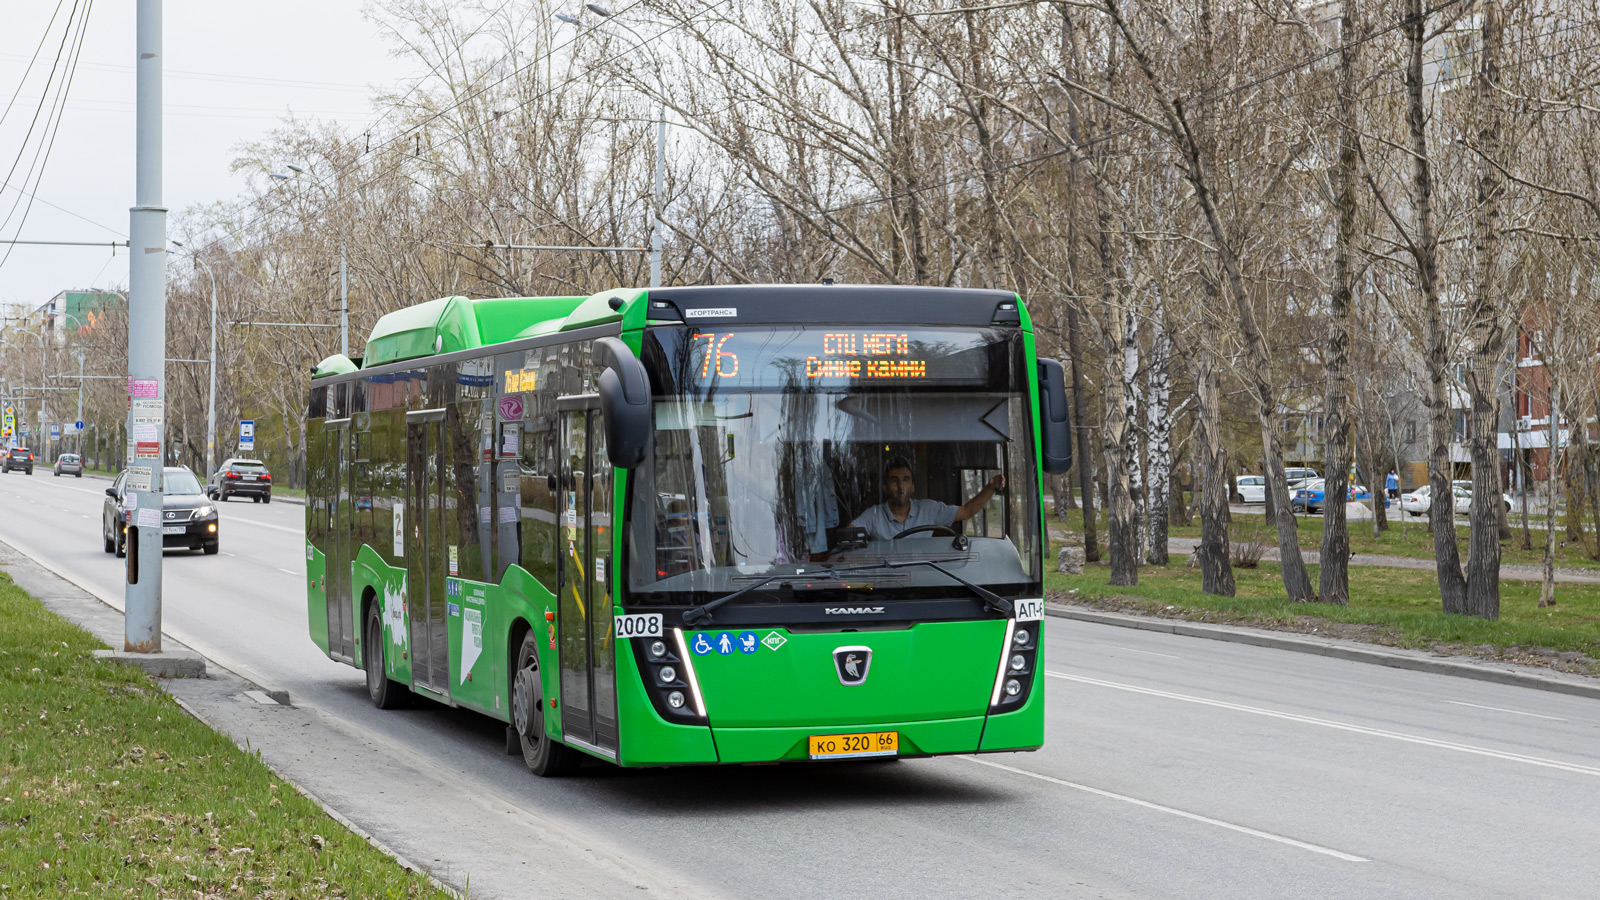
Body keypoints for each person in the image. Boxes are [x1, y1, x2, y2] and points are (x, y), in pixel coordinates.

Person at [850, 456, 1005, 541]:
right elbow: (848, 535)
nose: (900, 486)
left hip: (925, 581)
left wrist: (990, 487)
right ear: (885, 487)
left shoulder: (929, 509)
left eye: (906, 479)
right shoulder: (874, 515)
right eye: (894, 480)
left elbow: (966, 511)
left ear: (913, 486)